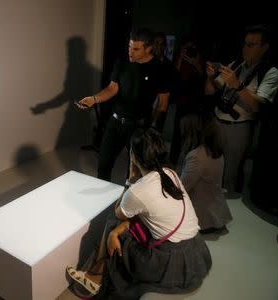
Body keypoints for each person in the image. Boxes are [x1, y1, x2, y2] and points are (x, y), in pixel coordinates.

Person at [66, 128, 211, 299]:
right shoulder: (170, 173)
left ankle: (95, 276)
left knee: (113, 220)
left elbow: (119, 213)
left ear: (133, 156)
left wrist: (131, 178)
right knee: (126, 222)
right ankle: (97, 270)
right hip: (195, 252)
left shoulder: (139, 190)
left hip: (170, 263)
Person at [77, 27, 170, 182]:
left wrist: (152, 126)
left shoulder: (159, 70)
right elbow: (112, 88)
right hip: (115, 122)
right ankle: (103, 202)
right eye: (129, 46)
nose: (130, 52)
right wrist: (93, 99)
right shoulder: (122, 63)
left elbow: (163, 102)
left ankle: (127, 204)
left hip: (139, 127)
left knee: (134, 172)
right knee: (103, 165)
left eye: (136, 49)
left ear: (149, 48)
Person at [204, 24, 278, 198]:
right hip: (217, 121)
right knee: (209, 168)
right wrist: (209, 77)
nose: (246, 48)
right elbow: (210, 91)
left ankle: (227, 209)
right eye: (245, 43)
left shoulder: (271, 72)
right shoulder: (236, 64)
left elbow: (258, 106)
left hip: (239, 127)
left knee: (230, 173)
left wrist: (237, 85)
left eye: (252, 44)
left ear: (264, 47)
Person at [180, 119, 232, 234]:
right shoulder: (217, 153)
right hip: (215, 211)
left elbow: (182, 187)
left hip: (201, 217)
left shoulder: (197, 156)